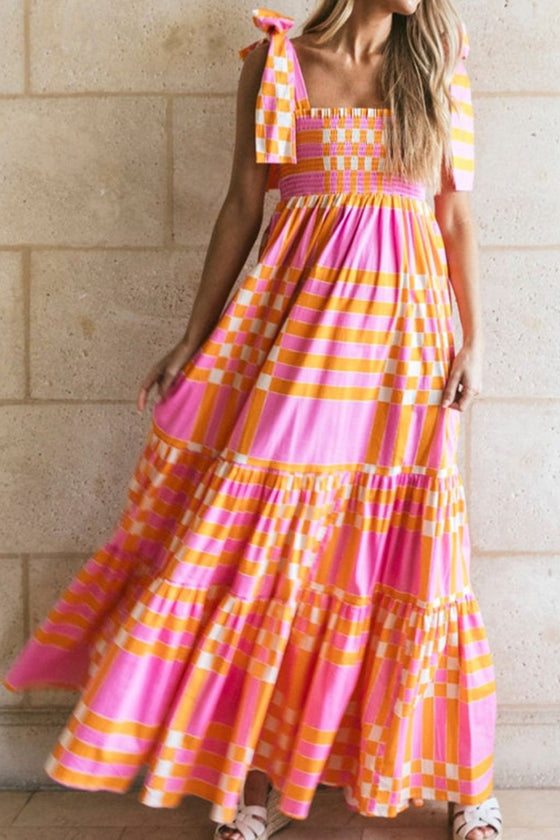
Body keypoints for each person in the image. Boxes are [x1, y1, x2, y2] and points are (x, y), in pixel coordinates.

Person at [1, 1, 504, 839]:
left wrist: (475, 344)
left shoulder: (437, 62)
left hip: (407, 349)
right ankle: (256, 781)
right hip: (297, 340)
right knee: (274, 561)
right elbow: (241, 207)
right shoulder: (277, 63)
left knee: (422, 564)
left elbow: (453, 214)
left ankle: (466, 785)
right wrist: (192, 338)